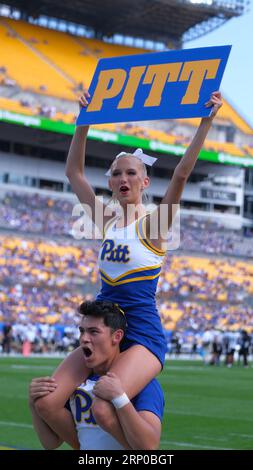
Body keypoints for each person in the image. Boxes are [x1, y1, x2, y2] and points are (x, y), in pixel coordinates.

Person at [35, 89, 223, 447]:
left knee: (105, 406)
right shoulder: (105, 221)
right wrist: (83, 121)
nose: (124, 179)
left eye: (132, 173)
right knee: (47, 400)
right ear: (110, 182)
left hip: (142, 335)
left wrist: (205, 122)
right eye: (117, 173)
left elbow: (181, 176)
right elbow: (73, 172)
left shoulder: (155, 225)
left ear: (145, 181)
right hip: (103, 331)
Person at [29, 300, 164, 450]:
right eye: (82, 331)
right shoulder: (76, 383)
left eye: (93, 332)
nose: (84, 338)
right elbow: (51, 443)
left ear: (117, 337)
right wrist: (33, 402)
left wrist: (120, 399)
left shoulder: (142, 383)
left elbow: (150, 447)